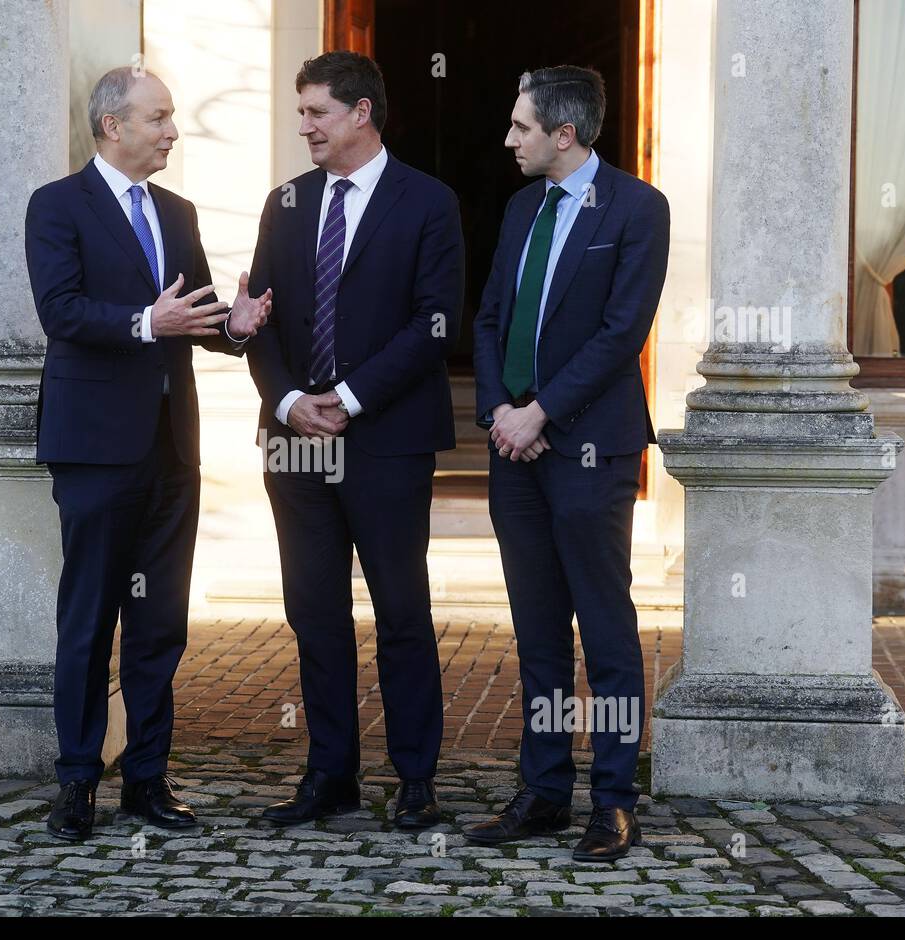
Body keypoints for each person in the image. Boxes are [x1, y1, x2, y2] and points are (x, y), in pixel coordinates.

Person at [25, 67, 271, 840]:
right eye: (158, 118)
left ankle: (147, 779)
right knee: (88, 619)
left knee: (160, 621)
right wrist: (144, 323)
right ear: (112, 126)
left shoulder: (177, 210)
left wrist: (236, 324)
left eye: (171, 118)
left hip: (171, 450)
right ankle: (74, 782)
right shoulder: (55, 206)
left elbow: (190, 315)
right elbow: (60, 311)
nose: (171, 131)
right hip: (95, 449)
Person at [245, 51, 465, 829]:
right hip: (296, 443)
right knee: (314, 611)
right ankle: (329, 775)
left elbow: (435, 323)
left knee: (401, 610)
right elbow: (257, 315)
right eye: (300, 112)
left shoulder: (428, 202)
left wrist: (349, 395)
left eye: (316, 113)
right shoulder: (286, 202)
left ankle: (415, 779)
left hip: (388, 440)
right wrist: (289, 400)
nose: (303, 125)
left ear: (361, 113)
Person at [465, 65, 669, 861]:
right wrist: (499, 414)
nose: (508, 139)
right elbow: (487, 318)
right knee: (538, 629)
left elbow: (622, 333)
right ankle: (545, 790)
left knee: (606, 628)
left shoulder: (638, 208)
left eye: (521, 127)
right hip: (516, 452)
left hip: (589, 445)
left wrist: (540, 411)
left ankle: (613, 799)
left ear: (564, 133)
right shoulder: (520, 207)